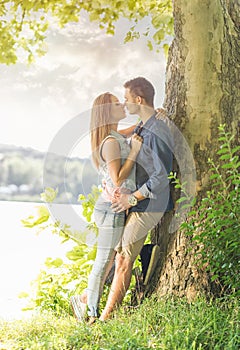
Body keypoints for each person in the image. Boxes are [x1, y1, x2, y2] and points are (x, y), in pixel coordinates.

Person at [99, 77, 174, 321]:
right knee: (119, 253)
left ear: (138, 100)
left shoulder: (158, 130)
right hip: (139, 203)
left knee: (123, 259)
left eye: (127, 99)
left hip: (149, 204)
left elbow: (162, 177)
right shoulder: (143, 127)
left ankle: (106, 319)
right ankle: (147, 257)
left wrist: (133, 198)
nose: (125, 103)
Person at [70, 92, 142, 324]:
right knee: (104, 262)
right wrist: (134, 152)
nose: (122, 104)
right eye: (116, 104)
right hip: (111, 210)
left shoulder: (114, 135)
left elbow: (132, 131)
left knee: (109, 261)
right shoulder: (110, 143)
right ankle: (89, 313)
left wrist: (149, 118)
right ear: (106, 112)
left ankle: (83, 300)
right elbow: (119, 179)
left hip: (112, 208)